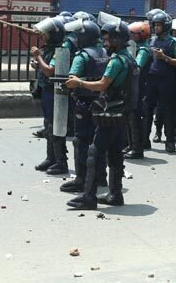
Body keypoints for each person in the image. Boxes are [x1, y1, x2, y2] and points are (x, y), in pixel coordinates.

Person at [64, 18, 138, 209]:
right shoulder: (129, 57)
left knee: (94, 153)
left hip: (110, 112)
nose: (104, 43)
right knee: (115, 154)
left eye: (108, 40)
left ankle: (88, 197)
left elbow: (102, 85)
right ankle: (115, 194)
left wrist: (79, 83)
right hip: (123, 112)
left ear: (117, 39)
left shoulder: (117, 60)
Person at [59, 19, 108, 194]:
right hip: (103, 103)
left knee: (81, 142)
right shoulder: (104, 51)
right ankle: (101, 177)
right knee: (99, 141)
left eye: (78, 35)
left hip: (85, 103)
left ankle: (81, 179)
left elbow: (72, 80)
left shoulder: (82, 56)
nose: (76, 38)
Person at [30, 15, 70, 175]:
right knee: (48, 125)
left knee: (55, 126)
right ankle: (50, 158)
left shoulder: (59, 50)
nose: (42, 35)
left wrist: (38, 56)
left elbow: (49, 70)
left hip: (55, 93)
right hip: (46, 91)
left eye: (45, 33)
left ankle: (61, 161)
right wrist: (38, 62)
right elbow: (43, 67)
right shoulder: (48, 48)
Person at [144, 11, 176, 153]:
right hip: (152, 79)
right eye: (155, 25)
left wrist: (165, 57)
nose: (156, 28)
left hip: (167, 80)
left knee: (168, 111)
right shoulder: (152, 40)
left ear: (165, 26)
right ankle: (144, 140)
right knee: (147, 109)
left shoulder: (174, 42)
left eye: (159, 25)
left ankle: (170, 141)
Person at [125, 20, 152, 159]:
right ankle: (130, 145)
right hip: (134, 85)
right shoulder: (134, 46)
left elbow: (137, 67)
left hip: (140, 86)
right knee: (130, 116)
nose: (131, 36)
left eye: (134, 34)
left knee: (135, 117)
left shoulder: (143, 50)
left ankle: (137, 148)